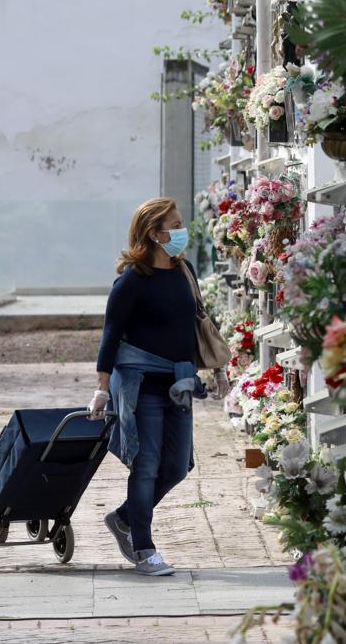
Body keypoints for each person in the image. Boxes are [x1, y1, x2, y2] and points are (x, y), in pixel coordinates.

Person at [87, 197, 229, 576]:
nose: (182, 232)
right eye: (175, 225)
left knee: (178, 466)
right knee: (147, 464)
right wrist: (102, 388)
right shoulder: (133, 280)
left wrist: (217, 370)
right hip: (142, 386)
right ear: (153, 233)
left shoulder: (184, 271)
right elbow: (110, 336)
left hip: (179, 382)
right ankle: (144, 549)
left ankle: (123, 518)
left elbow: (199, 322)